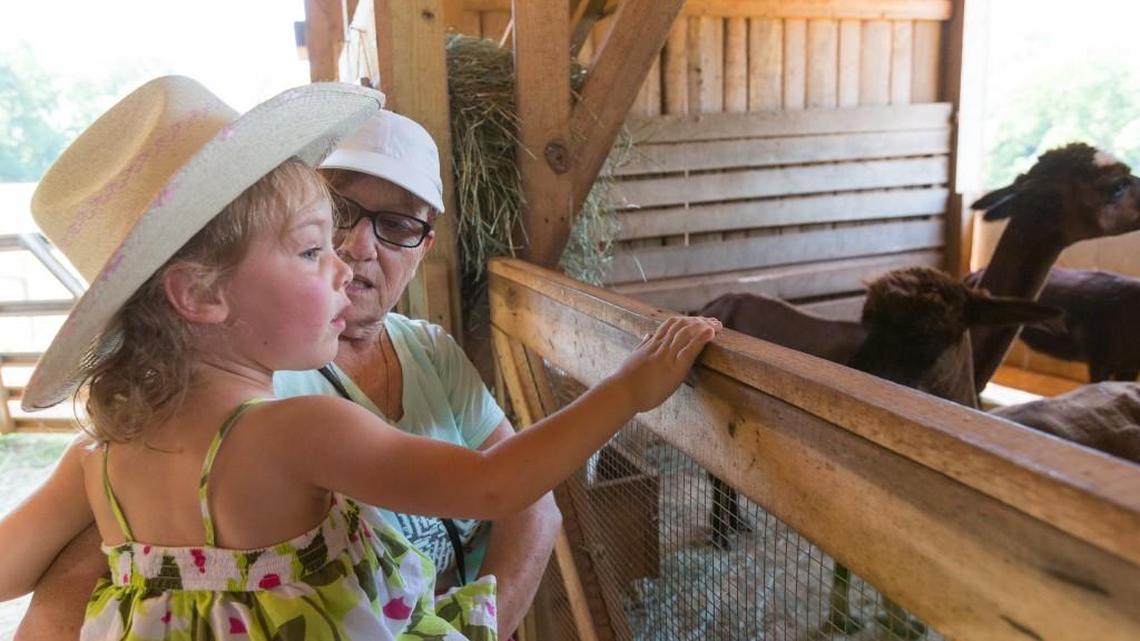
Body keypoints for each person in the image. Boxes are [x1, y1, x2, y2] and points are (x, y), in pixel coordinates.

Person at [0, 75, 719, 640]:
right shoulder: (297, 429)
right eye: (313, 249)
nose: (344, 264)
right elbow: (498, 485)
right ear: (202, 294)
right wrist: (629, 388)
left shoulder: (98, 460)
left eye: (396, 226)